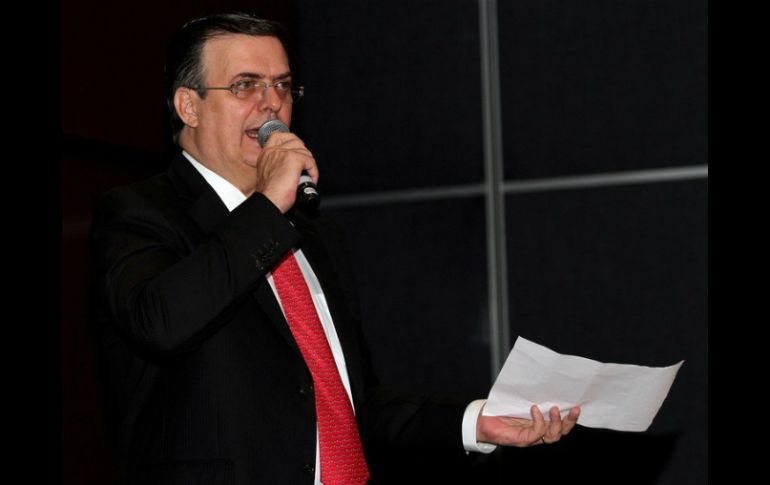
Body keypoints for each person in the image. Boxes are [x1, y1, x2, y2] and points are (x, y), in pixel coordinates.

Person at [90, 12, 580, 485]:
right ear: (189, 107)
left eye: (282, 85)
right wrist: (267, 206)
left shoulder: (312, 233)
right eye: (245, 85)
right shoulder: (139, 213)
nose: (271, 103)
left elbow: (348, 402)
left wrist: (476, 421)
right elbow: (160, 323)